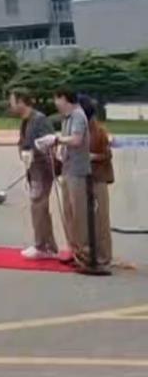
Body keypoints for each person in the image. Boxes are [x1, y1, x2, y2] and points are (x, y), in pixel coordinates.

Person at [39, 88, 92, 270]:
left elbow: (76, 140)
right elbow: (66, 142)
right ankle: (73, 249)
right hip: (68, 169)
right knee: (69, 213)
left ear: (64, 99)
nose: (56, 104)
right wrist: (56, 148)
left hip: (78, 170)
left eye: (57, 99)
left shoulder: (78, 116)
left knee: (78, 213)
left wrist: (56, 140)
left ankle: (84, 252)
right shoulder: (66, 118)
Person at [8, 88, 58, 260]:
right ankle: (49, 245)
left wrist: (34, 151)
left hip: (42, 168)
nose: (11, 105)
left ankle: (41, 245)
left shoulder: (39, 120)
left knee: (38, 205)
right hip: (32, 168)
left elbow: (50, 143)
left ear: (22, 101)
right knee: (39, 207)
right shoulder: (26, 121)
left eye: (13, 101)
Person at [85, 96, 114, 273]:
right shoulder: (82, 128)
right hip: (85, 177)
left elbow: (107, 154)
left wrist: (92, 157)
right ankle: (91, 253)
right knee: (88, 220)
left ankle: (104, 256)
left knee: (101, 219)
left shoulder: (99, 131)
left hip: (99, 177)